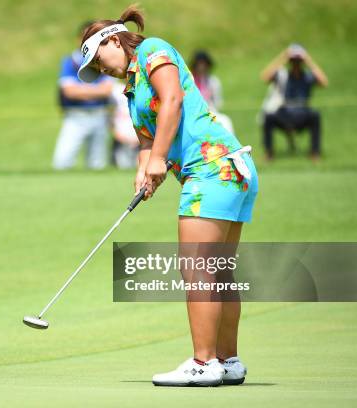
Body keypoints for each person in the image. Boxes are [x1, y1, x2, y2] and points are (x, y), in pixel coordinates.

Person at [77, 5, 258, 386]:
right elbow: (146, 139)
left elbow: (172, 101)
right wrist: (145, 170)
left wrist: (160, 158)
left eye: (98, 58)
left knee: (198, 271)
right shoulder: (130, 90)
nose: (99, 68)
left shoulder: (152, 51)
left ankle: (203, 363)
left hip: (213, 170)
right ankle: (227, 361)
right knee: (218, 271)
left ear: (113, 40)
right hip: (224, 172)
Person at [53, 22, 114, 170]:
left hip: (100, 115)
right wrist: (95, 90)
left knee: (97, 164)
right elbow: (69, 92)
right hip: (75, 117)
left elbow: (107, 90)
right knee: (62, 161)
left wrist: (82, 90)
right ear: (79, 39)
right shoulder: (70, 61)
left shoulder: (105, 58)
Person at [260, 44, 328, 161]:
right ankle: (269, 153)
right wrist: (284, 57)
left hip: (302, 113)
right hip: (285, 112)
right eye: (293, 61)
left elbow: (324, 82)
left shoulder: (307, 76)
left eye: (298, 61)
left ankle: (315, 153)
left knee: (315, 115)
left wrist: (307, 60)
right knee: (268, 117)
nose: (296, 63)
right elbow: (265, 77)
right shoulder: (283, 75)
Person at [190, 50, 234, 134]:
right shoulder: (190, 81)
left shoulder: (213, 81)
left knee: (226, 121)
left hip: (210, 111)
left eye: (204, 65)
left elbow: (218, 102)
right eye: (199, 64)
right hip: (193, 113)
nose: (201, 67)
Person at [110, 81, 139, 168]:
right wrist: (115, 132)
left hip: (141, 139)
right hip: (121, 138)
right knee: (121, 166)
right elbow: (109, 114)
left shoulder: (144, 87)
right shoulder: (114, 89)